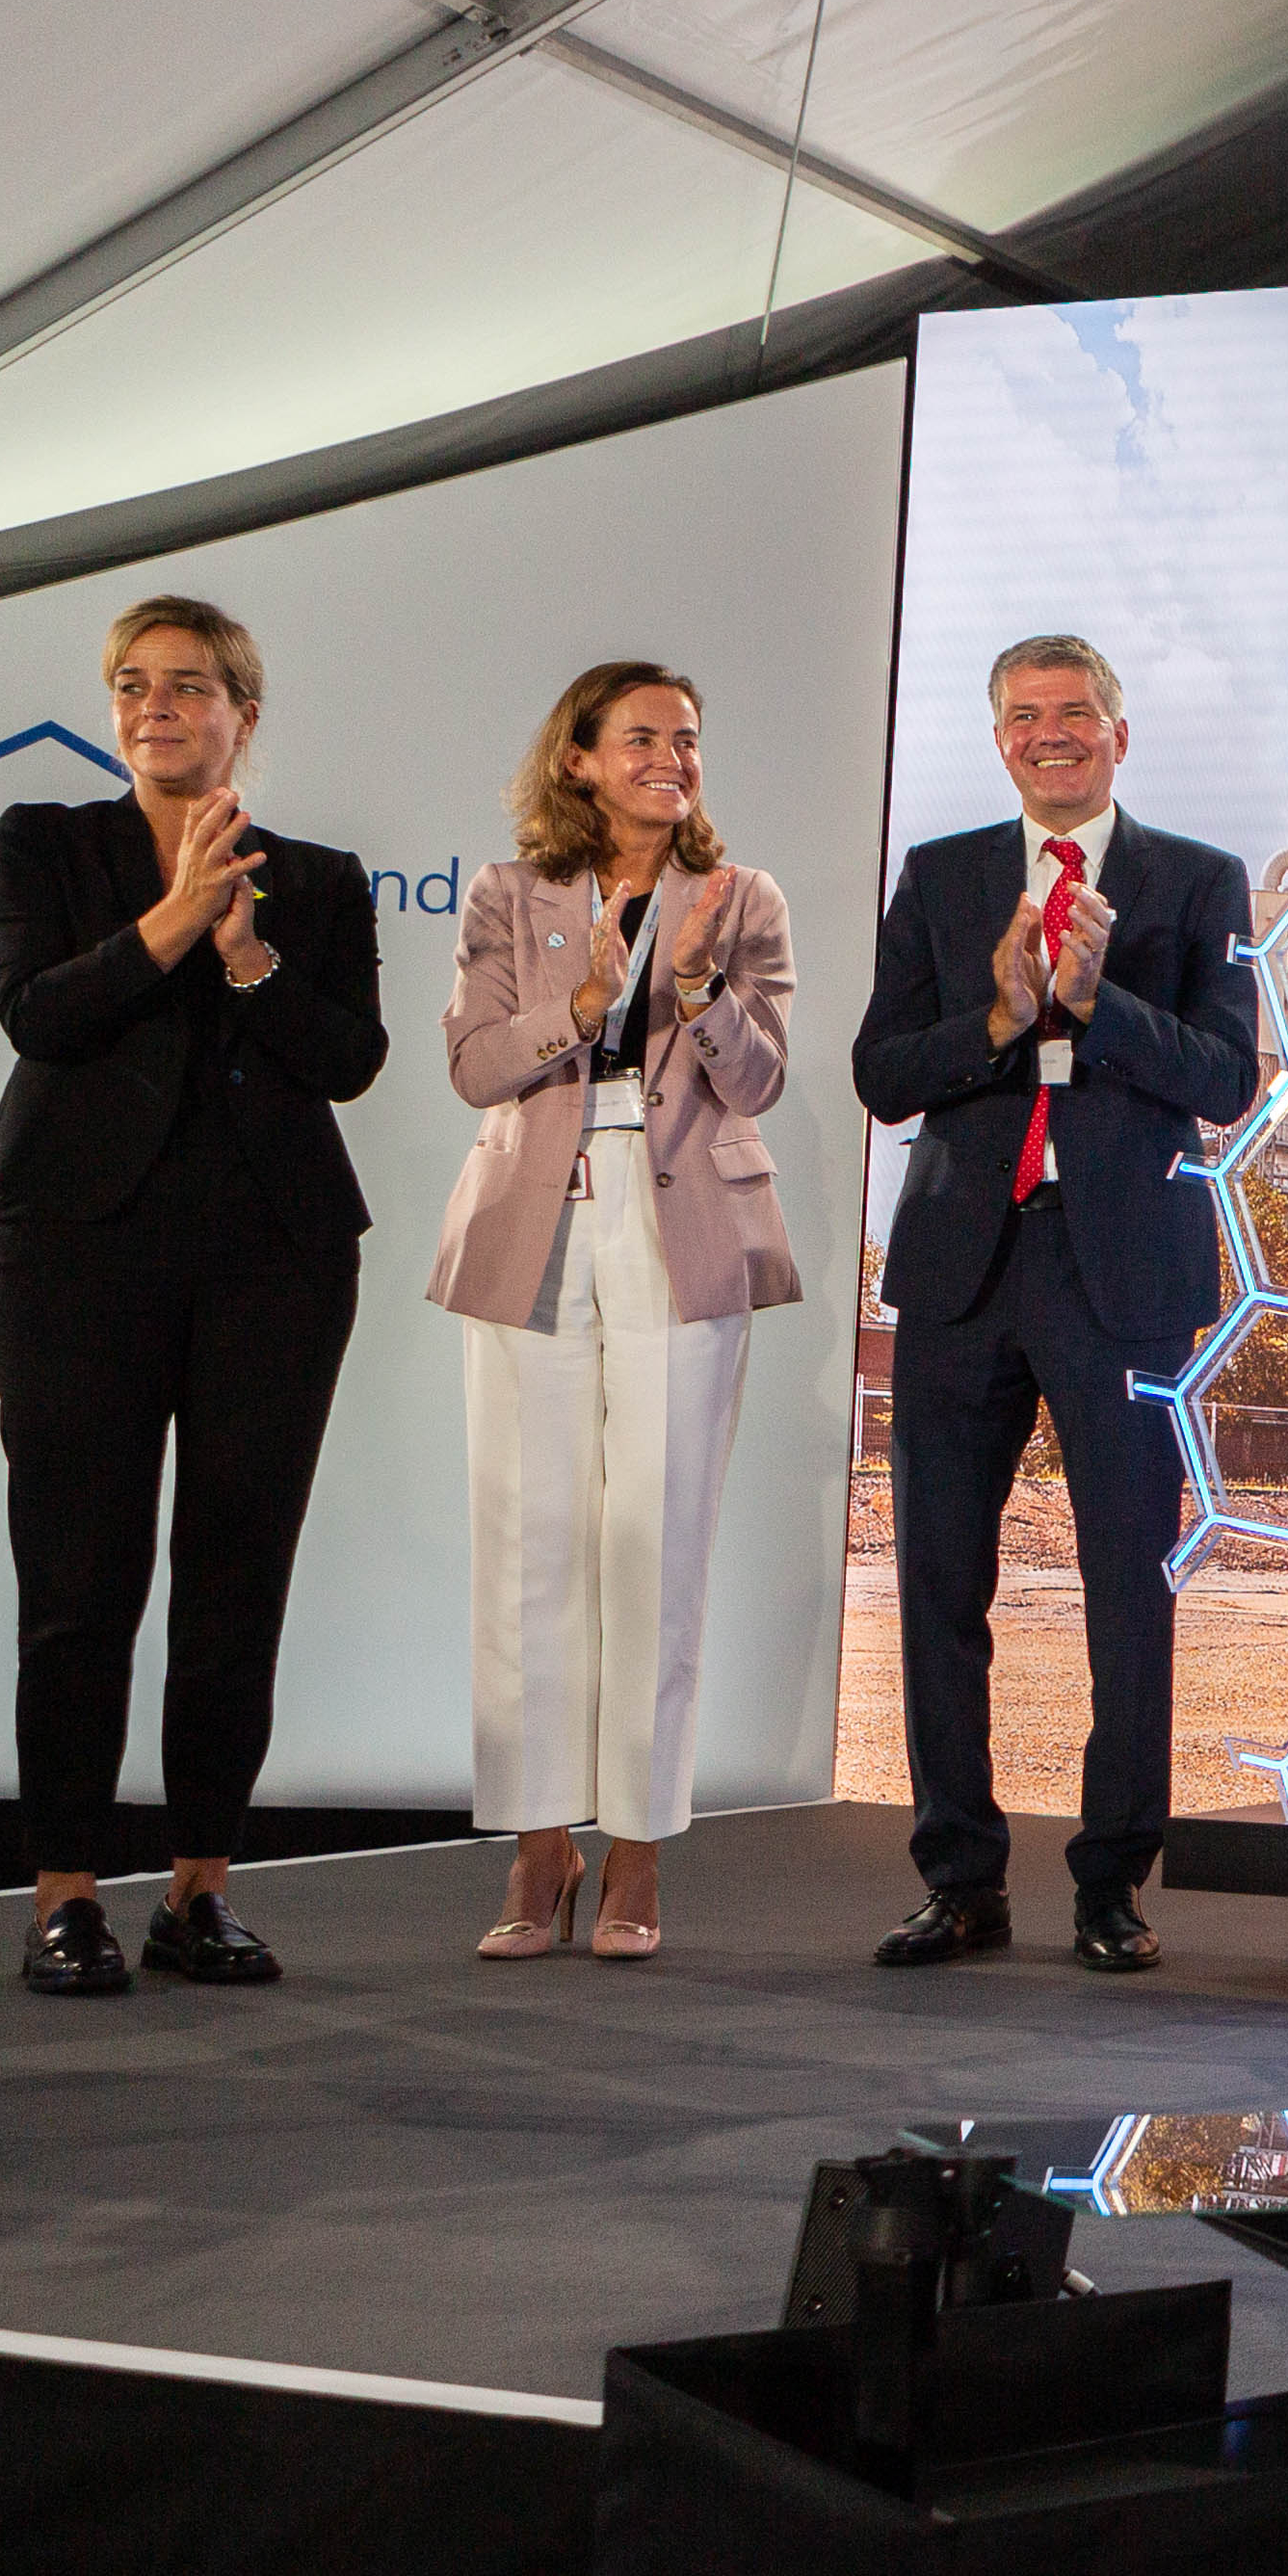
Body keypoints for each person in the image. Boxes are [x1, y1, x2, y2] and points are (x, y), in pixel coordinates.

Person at [0, 596, 384, 1996]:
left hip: (276, 1255)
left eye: (190, 686)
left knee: (235, 1577)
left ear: (243, 716)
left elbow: (348, 1058)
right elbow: (36, 1010)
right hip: (75, 1245)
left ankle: (200, 1889)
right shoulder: (46, 842)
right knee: (77, 1576)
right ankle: (66, 1895)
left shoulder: (318, 879)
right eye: (134, 686)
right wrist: (173, 922)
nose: (157, 706)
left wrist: (249, 952)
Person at [853, 635, 1258, 1974]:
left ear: (1119, 735)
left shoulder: (1198, 883)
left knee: (1124, 1586)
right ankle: (961, 1878)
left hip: (1124, 1280)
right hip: (963, 1272)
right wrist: (1002, 1012)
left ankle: (1110, 1884)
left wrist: (1097, 1002)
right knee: (938, 1587)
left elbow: (1226, 1076)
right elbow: (881, 1071)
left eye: (1075, 713)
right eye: (1024, 717)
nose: (1051, 735)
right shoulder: (943, 876)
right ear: (1000, 738)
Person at [432, 664, 802, 1958]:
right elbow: (475, 1061)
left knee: (659, 1530)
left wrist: (694, 992)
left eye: (688, 739)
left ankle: (639, 1850)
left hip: (683, 1220)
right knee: (527, 1533)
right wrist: (581, 1008)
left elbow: (759, 1075)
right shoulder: (507, 893)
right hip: (531, 1218)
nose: (671, 756)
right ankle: (540, 1850)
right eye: (642, 735)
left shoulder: (740, 898)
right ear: (578, 757)